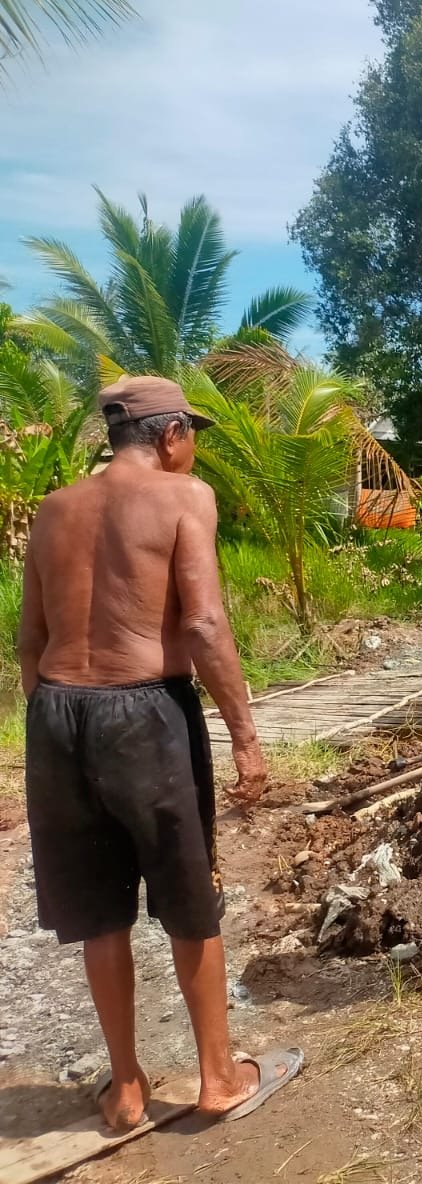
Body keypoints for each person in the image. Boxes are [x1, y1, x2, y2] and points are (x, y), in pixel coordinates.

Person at [19, 375, 303, 1133]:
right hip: (144, 713)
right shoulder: (185, 497)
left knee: (99, 911)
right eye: (192, 434)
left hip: (55, 713)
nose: (193, 447)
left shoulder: (54, 508)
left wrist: (53, 727)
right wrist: (245, 736)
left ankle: (126, 1087)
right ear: (172, 434)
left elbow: (30, 640)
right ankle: (218, 1077)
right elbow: (203, 624)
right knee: (187, 899)